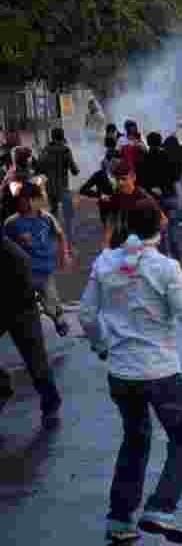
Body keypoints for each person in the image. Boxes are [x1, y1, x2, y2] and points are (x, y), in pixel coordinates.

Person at [79, 205, 182, 544]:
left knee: (135, 440)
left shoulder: (105, 262)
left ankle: (120, 519)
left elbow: (88, 315)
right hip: (161, 371)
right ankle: (161, 508)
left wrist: (102, 347)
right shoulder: (166, 268)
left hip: (121, 372)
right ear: (159, 229)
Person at [0, 230, 62, 428]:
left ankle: (51, 404)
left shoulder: (11, 252)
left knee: (35, 359)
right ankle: (2, 387)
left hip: (21, 307)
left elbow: (26, 270)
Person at [5, 182, 73, 336]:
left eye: (32, 199)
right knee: (22, 304)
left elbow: (60, 234)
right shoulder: (11, 223)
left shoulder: (46, 218)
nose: (28, 204)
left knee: (50, 303)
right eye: (24, 200)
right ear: (19, 201)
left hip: (44, 270)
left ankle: (57, 317)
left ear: (38, 200)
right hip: (22, 273)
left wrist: (65, 255)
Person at [138, 133, 182, 262]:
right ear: (160, 142)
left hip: (154, 200)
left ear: (148, 142)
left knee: (160, 232)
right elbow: (175, 176)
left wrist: (153, 188)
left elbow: (141, 181)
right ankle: (177, 258)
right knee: (173, 229)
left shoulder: (144, 159)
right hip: (170, 196)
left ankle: (164, 258)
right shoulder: (167, 156)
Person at [104, 161, 166, 251]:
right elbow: (111, 218)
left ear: (133, 177)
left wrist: (149, 242)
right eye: (117, 179)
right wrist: (106, 240)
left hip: (140, 246)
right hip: (121, 243)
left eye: (124, 179)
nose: (120, 183)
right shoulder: (117, 194)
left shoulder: (143, 197)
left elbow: (163, 220)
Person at [34, 127, 79, 247]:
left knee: (53, 216)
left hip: (50, 188)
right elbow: (75, 170)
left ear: (52, 137)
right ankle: (70, 242)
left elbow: (38, 168)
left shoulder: (45, 150)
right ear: (62, 136)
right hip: (63, 188)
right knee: (69, 217)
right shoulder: (65, 150)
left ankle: (54, 240)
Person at [79, 139, 120, 230]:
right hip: (105, 210)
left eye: (119, 161)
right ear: (108, 162)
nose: (117, 164)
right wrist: (100, 195)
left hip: (121, 211)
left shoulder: (123, 174)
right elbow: (83, 189)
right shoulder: (99, 175)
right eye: (114, 161)